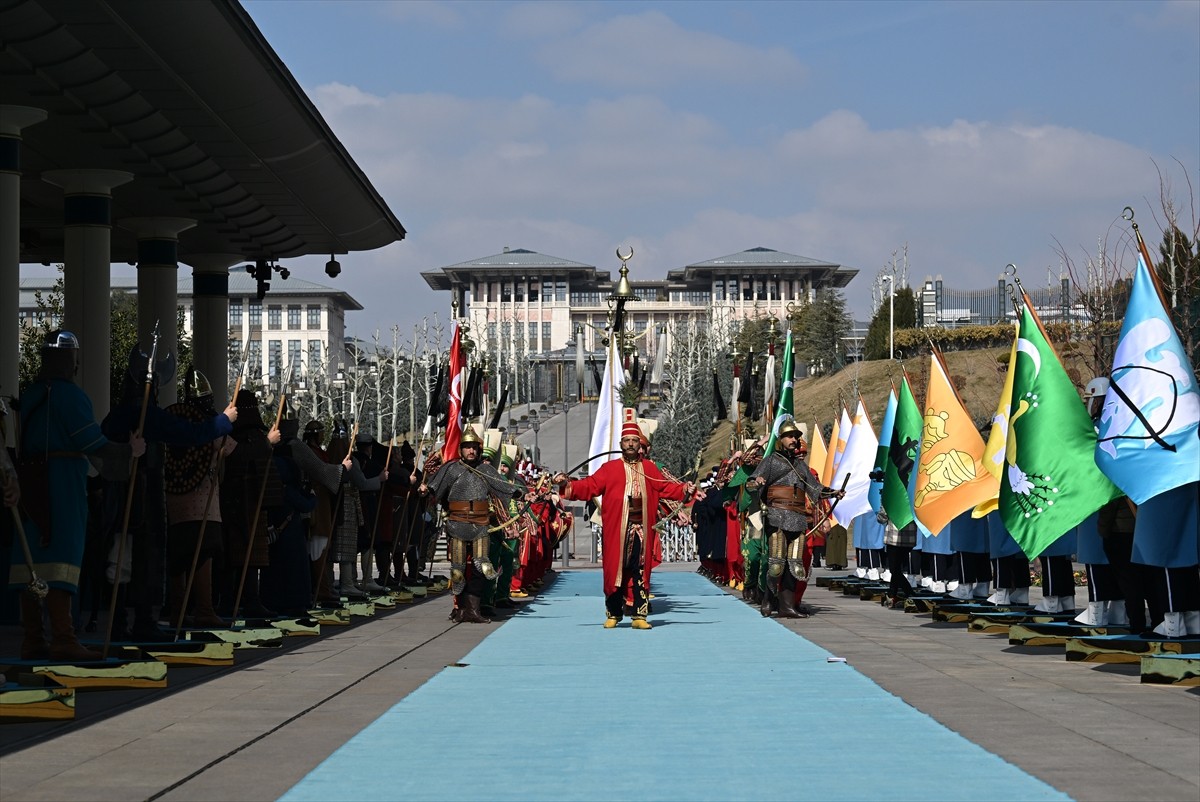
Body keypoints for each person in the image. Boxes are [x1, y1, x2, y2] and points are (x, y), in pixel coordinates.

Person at [10, 330, 145, 661]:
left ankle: (33, 639)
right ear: (71, 361)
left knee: (32, 558)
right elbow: (92, 444)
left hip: (29, 484)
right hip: (62, 485)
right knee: (62, 559)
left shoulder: (29, 395)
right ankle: (63, 638)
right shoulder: (71, 396)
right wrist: (130, 451)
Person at [553, 410, 698, 630]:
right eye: (627, 440)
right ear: (621, 444)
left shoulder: (649, 469)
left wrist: (685, 489)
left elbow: (667, 488)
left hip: (641, 527)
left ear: (639, 444)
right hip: (616, 529)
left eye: (634, 440)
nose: (630, 444)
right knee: (614, 569)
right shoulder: (609, 469)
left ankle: (639, 614)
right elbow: (589, 486)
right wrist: (566, 484)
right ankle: (613, 613)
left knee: (640, 568)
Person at [421, 426, 525, 623]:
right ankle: (459, 609)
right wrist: (425, 490)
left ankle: (474, 610)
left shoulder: (486, 470)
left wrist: (525, 494)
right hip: (457, 523)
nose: (471, 451)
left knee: (482, 568)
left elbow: (505, 488)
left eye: (474, 447)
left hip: (480, 524)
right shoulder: (451, 469)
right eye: (467, 447)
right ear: (461, 449)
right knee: (458, 570)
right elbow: (434, 490)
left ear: (479, 449)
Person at [750, 420, 844, 619]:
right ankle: (767, 600)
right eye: (790, 436)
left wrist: (833, 493)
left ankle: (787, 606)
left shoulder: (800, 466)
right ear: (781, 439)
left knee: (795, 565)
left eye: (796, 436)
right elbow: (753, 482)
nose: (794, 439)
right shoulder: (771, 461)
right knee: (776, 564)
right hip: (776, 515)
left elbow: (815, 489)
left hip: (798, 517)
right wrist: (756, 482)